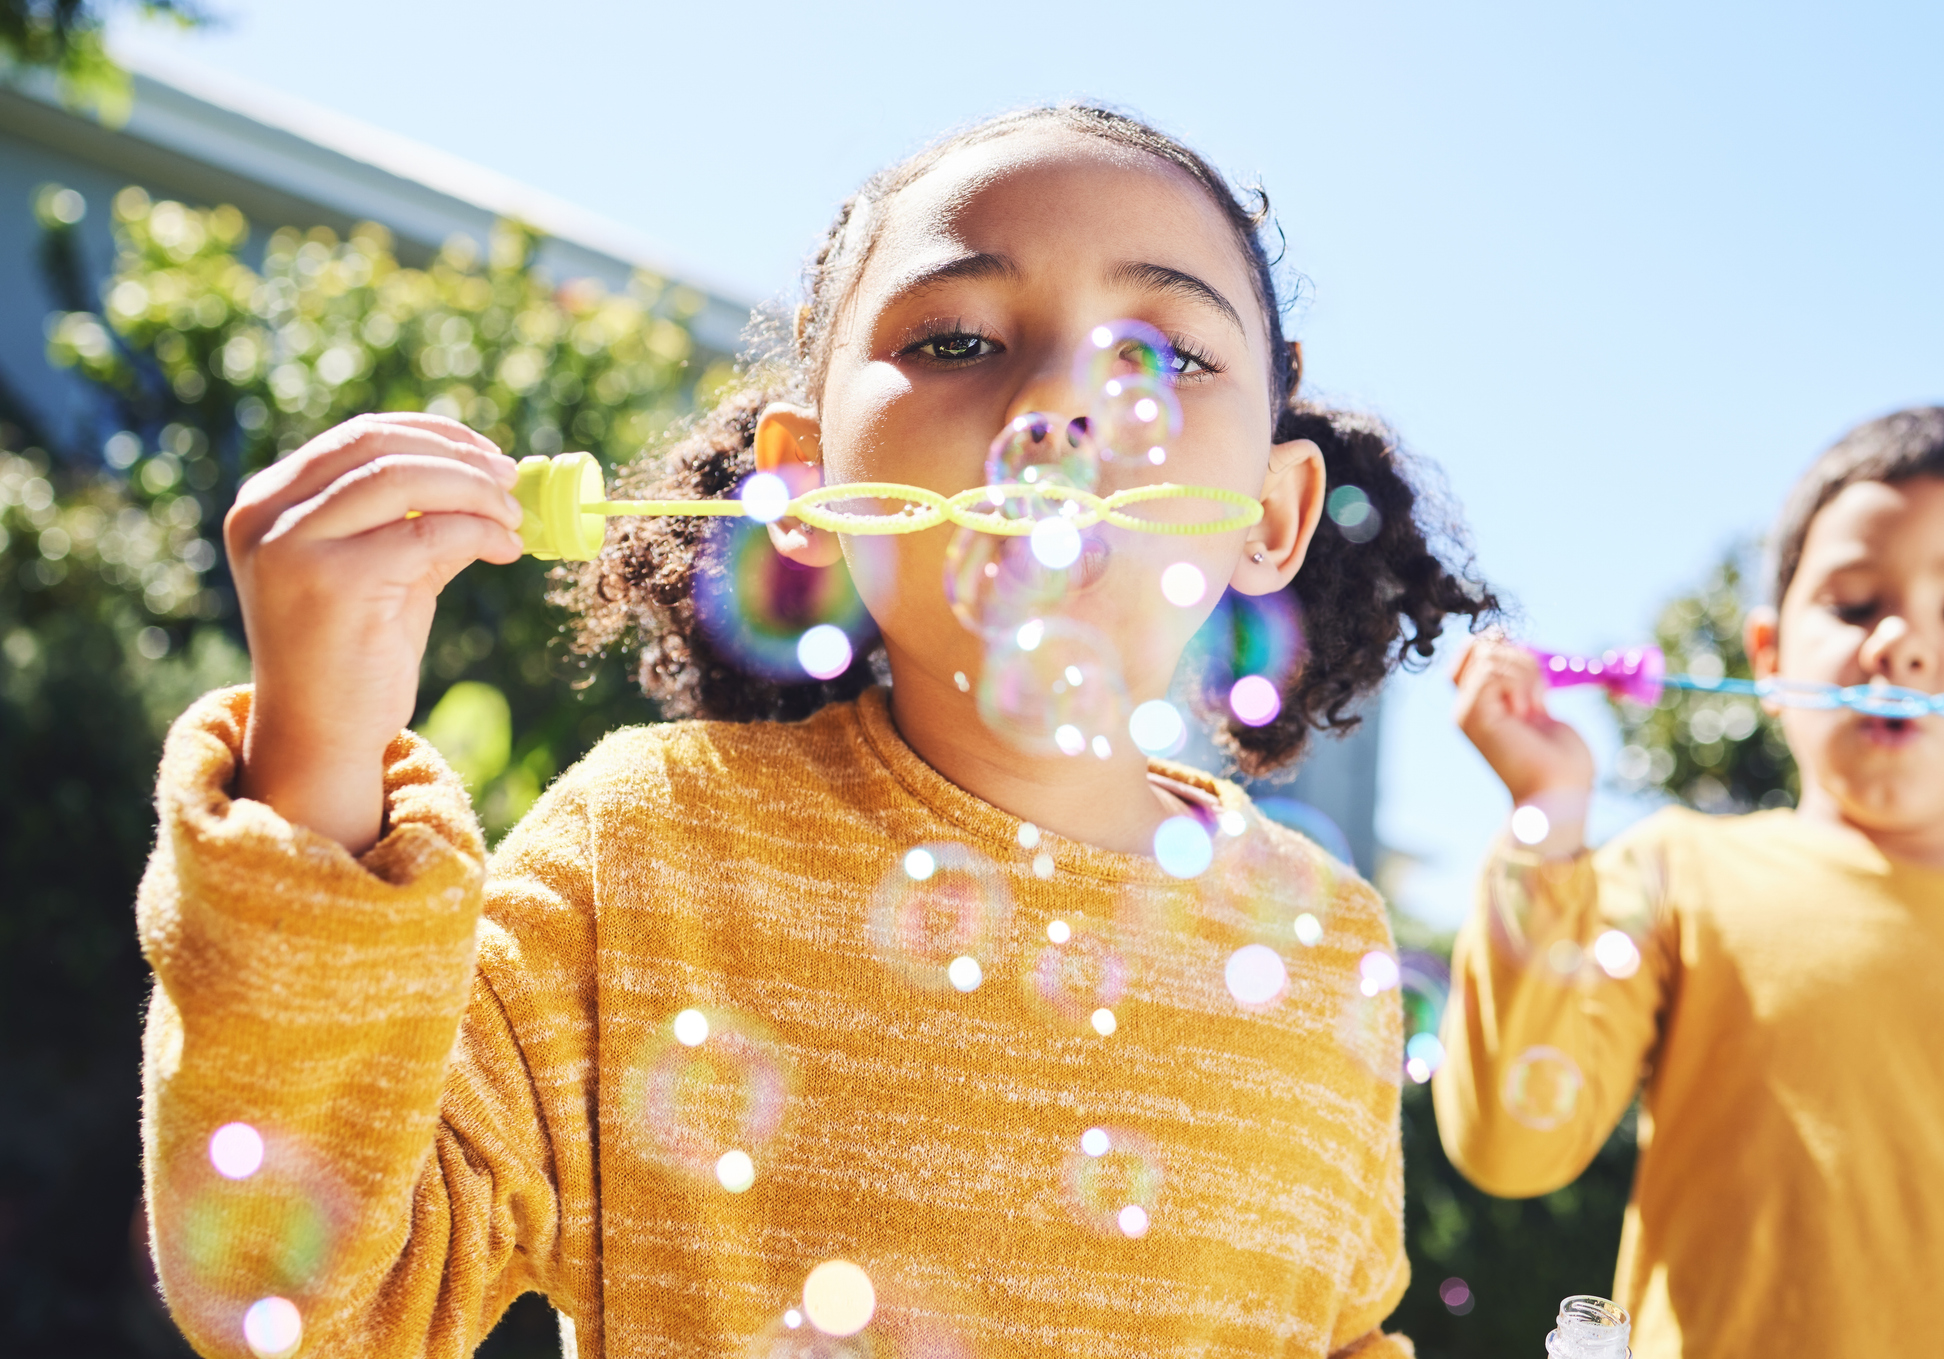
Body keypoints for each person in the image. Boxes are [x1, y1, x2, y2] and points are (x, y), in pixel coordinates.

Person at [138, 105, 1497, 1359]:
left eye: (1160, 353)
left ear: (1269, 512)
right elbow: (299, 1290)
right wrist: (318, 740)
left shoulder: (1325, 945)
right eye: (955, 339)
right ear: (803, 486)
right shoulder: (650, 853)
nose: (1054, 414)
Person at [1435, 405, 1944, 1357]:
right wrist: (1545, 808)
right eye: (1851, 604)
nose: (1898, 646)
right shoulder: (1676, 875)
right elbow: (1511, 1146)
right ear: (1767, 656)